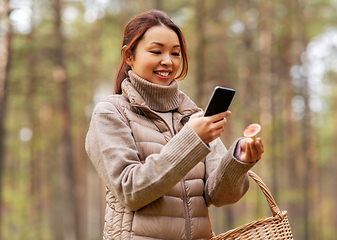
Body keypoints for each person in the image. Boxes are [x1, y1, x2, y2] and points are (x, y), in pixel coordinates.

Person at [85, 9, 264, 240]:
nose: (168, 61)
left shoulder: (193, 117)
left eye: (176, 53)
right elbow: (130, 190)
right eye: (156, 51)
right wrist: (192, 140)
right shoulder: (111, 112)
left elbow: (219, 196)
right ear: (129, 56)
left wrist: (239, 161)